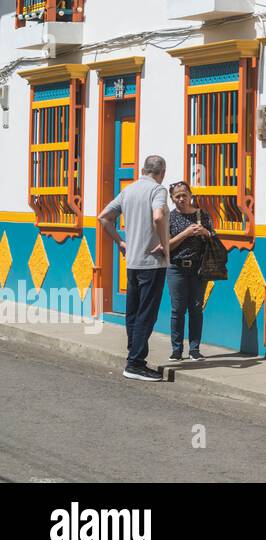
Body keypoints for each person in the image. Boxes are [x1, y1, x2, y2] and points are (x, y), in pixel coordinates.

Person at [98, 155, 171, 382]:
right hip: (151, 263)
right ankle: (135, 363)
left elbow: (103, 217)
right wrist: (164, 244)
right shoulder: (157, 190)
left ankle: (134, 355)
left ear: (142, 169)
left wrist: (120, 242)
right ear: (162, 172)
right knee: (146, 314)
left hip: (132, 263)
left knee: (133, 312)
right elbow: (158, 216)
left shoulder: (128, 190)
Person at [165, 181, 213, 361]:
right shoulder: (169, 218)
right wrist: (185, 234)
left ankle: (194, 350)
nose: (181, 199)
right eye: (177, 196)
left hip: (198, 269)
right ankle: (176, 350)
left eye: (184, 194)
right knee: (177, 309)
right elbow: (166, 246)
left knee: (196, 309)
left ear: (190, 195)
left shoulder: (202, 215)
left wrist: (205, 233)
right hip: (176, 268)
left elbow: (214, 239)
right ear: (172, 199)